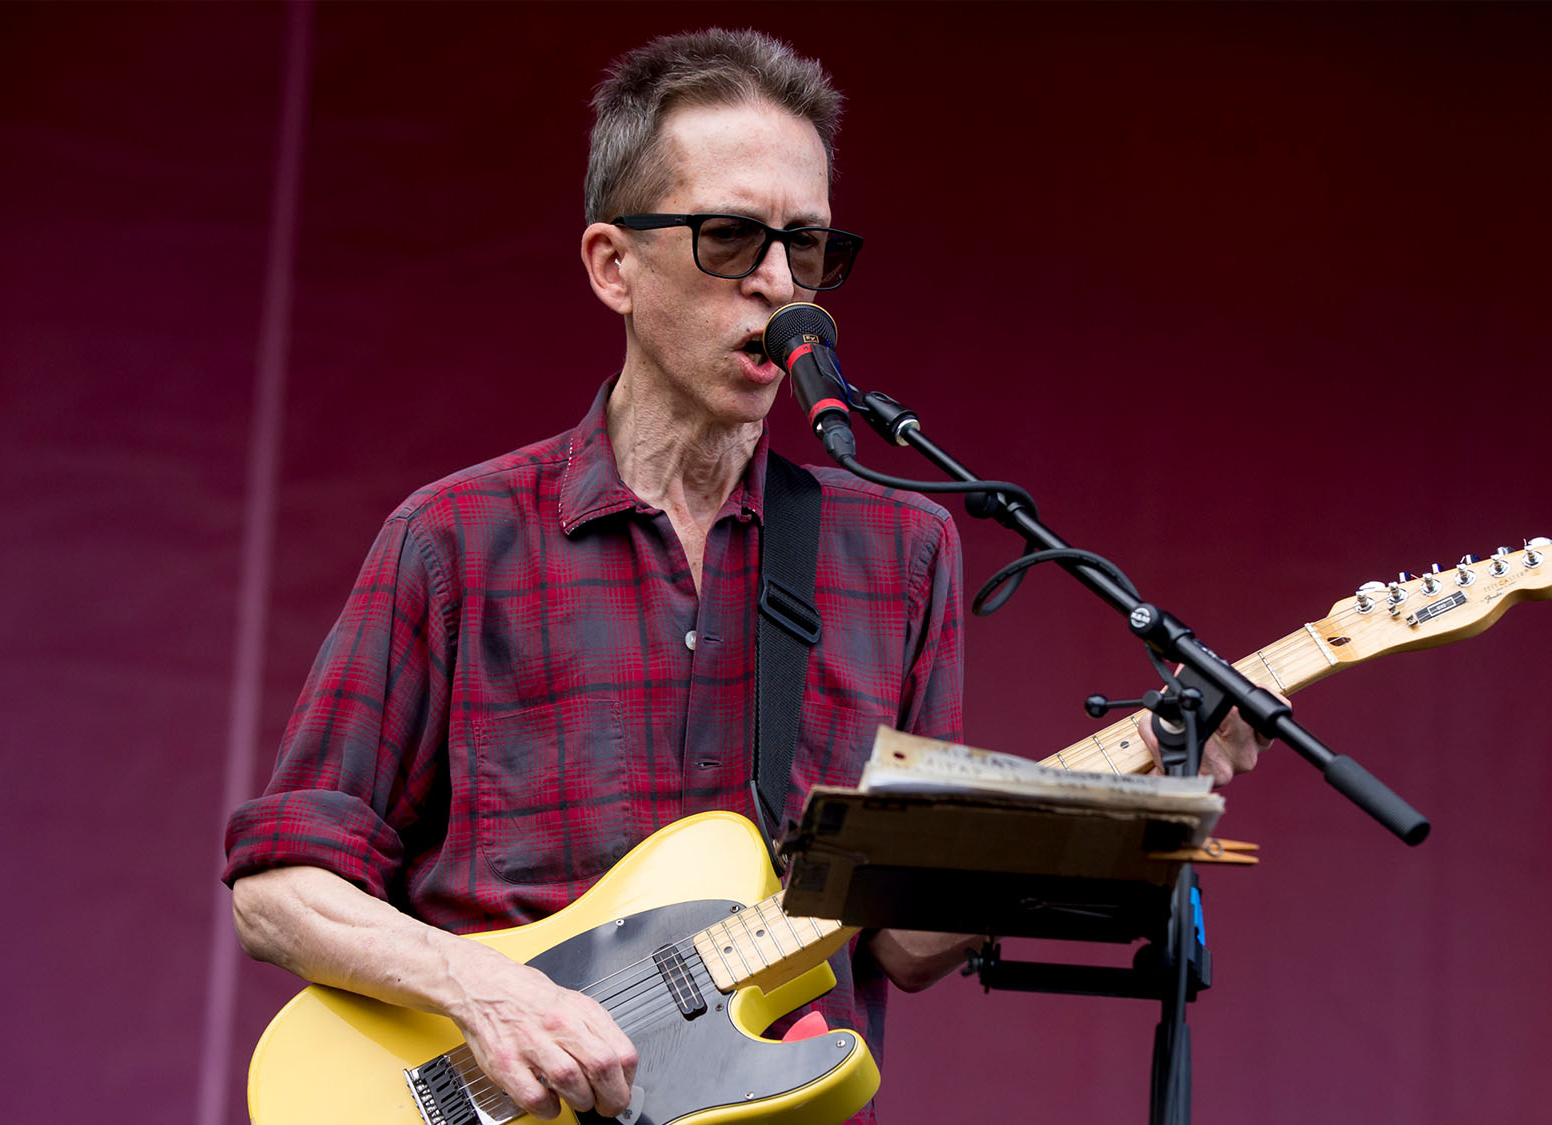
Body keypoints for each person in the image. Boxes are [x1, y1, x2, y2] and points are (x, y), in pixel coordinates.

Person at [223, 28, 1263, 1124]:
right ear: (612, 265)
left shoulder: (902, 555)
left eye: (806, 248)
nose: (777, 283)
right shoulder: (454, 537)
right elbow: (282, 886)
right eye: (730, 238)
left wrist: (1140, 778)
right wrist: (486, 991)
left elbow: (903, 938)